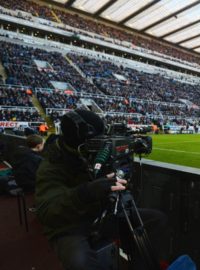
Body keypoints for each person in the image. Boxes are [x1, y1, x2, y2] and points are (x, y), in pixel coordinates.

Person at [35, 110, 167, 270]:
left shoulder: (89, 153)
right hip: (70, 226)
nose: (103, 144)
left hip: (102, 215)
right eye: (96, 141)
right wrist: (86, 192)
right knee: (80, 262)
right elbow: (48, 212)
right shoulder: (51, 165)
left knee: (157, 220)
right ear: (79, 143)